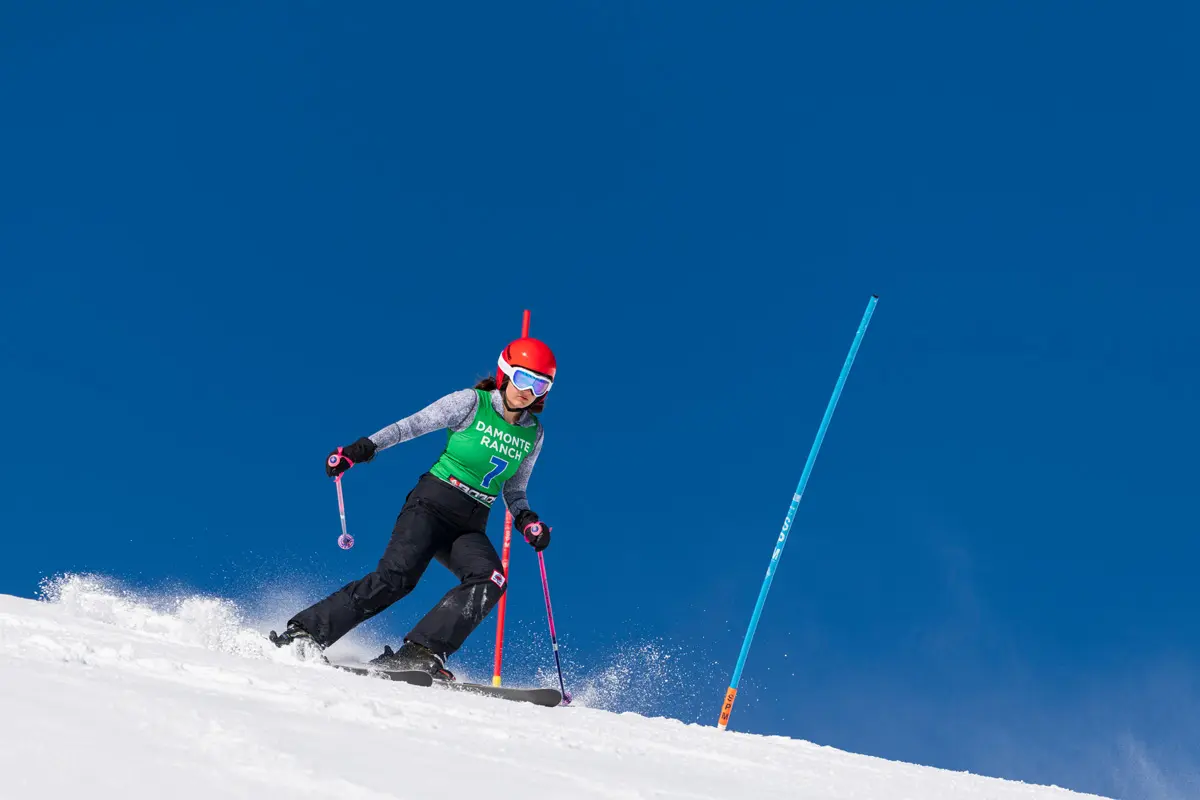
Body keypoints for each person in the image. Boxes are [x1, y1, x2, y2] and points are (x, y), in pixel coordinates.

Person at [270, 337, 556, 680]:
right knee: (396, 578)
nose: (528, 391)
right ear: (506, 374)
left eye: (540, 384)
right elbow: (411, 426)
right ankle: (305, 632)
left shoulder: (533, 434)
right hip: (432, 502)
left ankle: (420, 652)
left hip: (470, 522)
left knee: (491, 579)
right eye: (524, 379)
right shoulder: (470, 403)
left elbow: (514, 488)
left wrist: (527, 520)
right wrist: (362, 449)